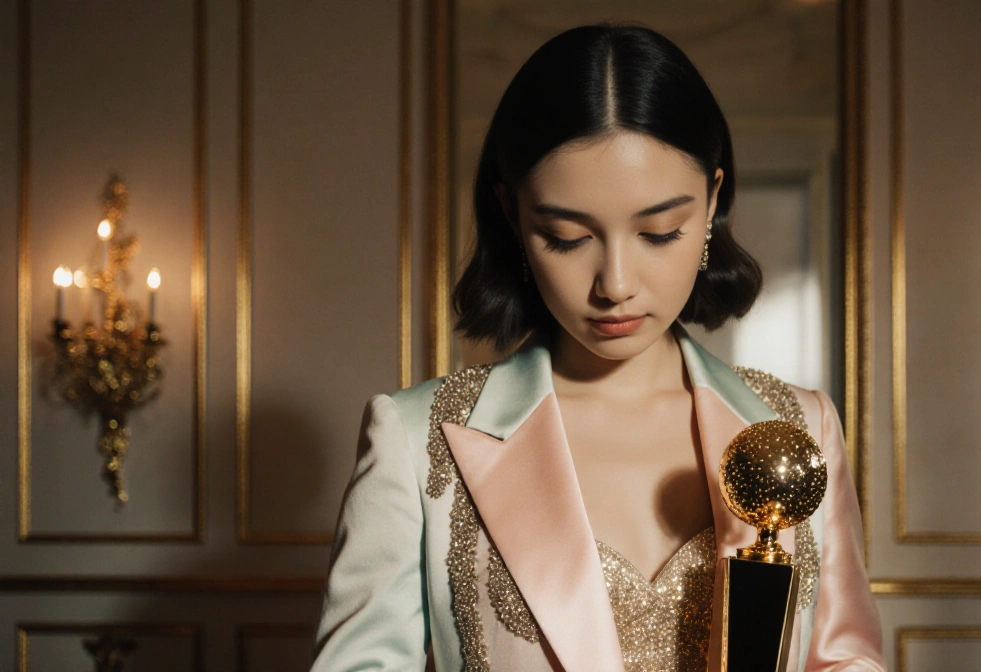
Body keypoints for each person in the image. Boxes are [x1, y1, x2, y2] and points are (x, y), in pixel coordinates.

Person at [310, 24, 885, 672]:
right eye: (565, 236)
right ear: (513, 218)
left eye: (660, 232)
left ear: (713, 201)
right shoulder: (414, 442)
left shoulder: (799, 428)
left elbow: (846, 660)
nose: (615, 285)